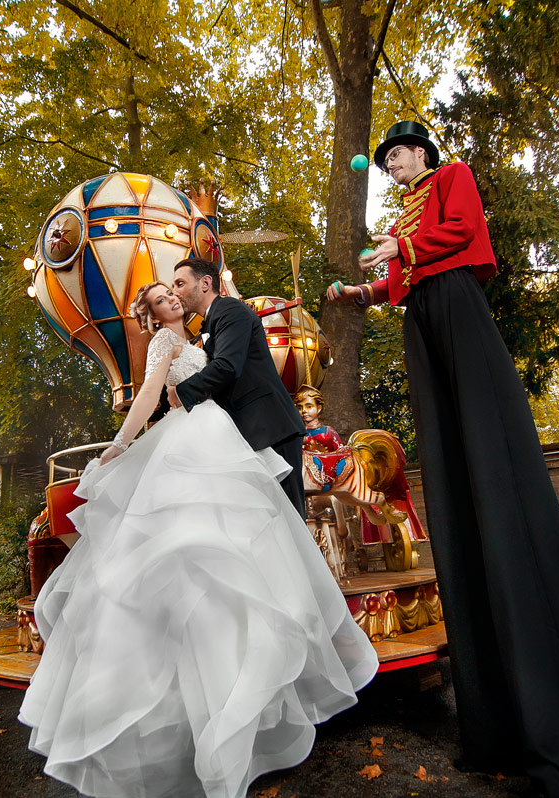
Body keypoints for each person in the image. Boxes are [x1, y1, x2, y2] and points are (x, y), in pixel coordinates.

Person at [327, 121, 559, 798]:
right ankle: (494, 727)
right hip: (420, 319)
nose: (391, 165)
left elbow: (462, 233)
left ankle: (556, 729)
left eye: (398, 154)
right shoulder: (404, 212)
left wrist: (402, 245)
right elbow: (400, 275)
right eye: (384, 160)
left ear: (423, 153)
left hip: (458, 302)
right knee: (447, 465)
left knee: (487, 447)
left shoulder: (452, 177)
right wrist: (365, 293)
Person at [19, 280, 378, 798]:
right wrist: (121, 443)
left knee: (239, 554)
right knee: (190, 551)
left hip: (219, 435)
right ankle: (190, 718)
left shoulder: (203, 338)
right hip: (190, 439)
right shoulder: (165, 343)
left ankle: (238, 697)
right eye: (161, 296)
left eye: (172, 290)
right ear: (150, 313)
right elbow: (148, 394)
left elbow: (227, 369)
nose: (169, 296)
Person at [168, 258, 308, 518]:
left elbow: (227, 367)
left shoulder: (230, 310)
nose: (174, 292)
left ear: (206, 283)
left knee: (289, 519)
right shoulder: (208, 324)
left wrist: (182, 392)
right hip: (249, 432)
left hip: (271, 428)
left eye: (180, 283)